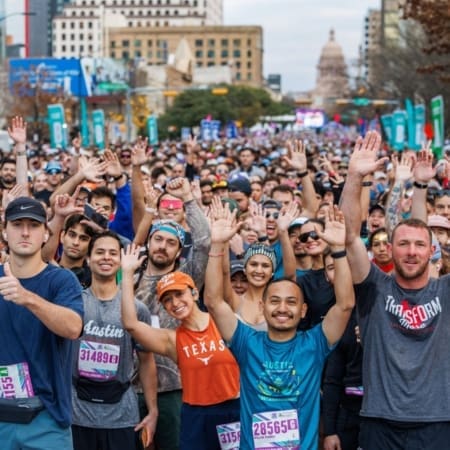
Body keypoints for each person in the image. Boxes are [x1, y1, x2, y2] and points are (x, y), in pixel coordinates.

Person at [204, 201, 354, 450]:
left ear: (303, 310)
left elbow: (345, 305)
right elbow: (213, 301)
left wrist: (338, 250)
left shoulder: (315, 344)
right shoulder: (246, 342)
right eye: (274, 301)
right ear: (263, 308)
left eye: (291, 302)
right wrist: (217, 245)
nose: (282, 308)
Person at [340, 131, 450, 450]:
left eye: (419, 245)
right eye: (403, 244)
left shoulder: (444, 291)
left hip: (437, 421)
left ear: (433, 252)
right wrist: (353, 177)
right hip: (379, 421)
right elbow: (347, 237)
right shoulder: (374, 286)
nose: (412, 251)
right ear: (389, 249)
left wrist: (422, 187)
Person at [121, 261, 240, 450]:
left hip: (233, 409)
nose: (175, 303)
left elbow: (221, 281)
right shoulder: (172, 340)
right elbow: (131, 324)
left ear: (194, 293)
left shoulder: (221, 321)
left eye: (179, 294)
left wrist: (218, 245)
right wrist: (126, 273)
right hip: (196, 416)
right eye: (167, 299)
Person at [0, 197, 83, 449]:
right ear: (4, 231)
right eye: (17, 224)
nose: (25, 232)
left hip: (47, 419)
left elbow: (73, 328)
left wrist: (26, 297)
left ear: (46, 234)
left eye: (34, 225)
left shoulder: (62, 280)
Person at [71, 231, 157, 450]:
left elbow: (147, 361)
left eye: (113, 253)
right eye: (99, 252)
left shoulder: (137, 309)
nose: (106, 257)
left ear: (121, 261)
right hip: (76, 414)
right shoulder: (72, 305)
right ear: (88, 259)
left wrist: (153, 410)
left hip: (122, 416)